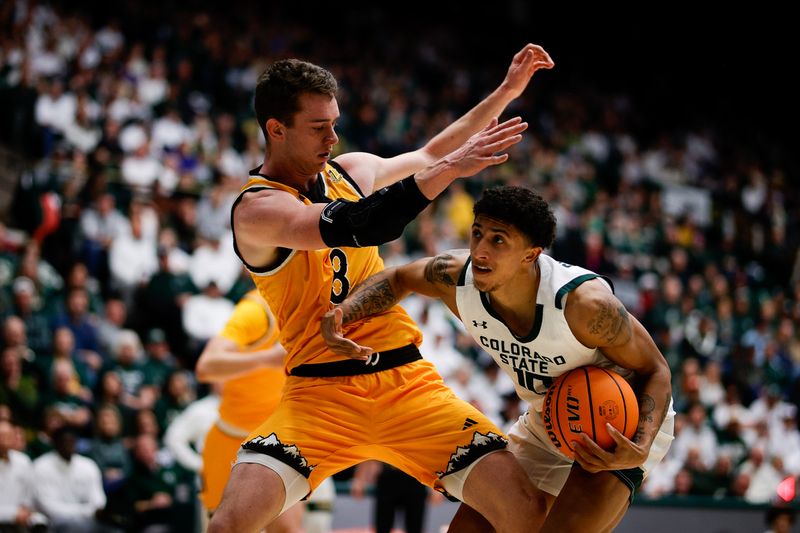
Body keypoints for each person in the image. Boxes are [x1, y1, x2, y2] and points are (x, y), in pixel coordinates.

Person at [208, 44, 554, 533]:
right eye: (318, 127)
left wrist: (506, 91)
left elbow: (435, 152)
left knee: (527, 511)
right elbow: (358, 224)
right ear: (275, 129)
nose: (333, 136)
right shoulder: (257, 210)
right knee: (228, 525)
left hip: (406, 384)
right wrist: (451, 169)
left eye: (335, 122)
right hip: (317, 397)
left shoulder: (351, 171)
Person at [321, 185, 675, 532]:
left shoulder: (585, 306)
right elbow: (400, 277)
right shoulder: (455, 277)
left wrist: (640, 445)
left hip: (616, 423)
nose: (480, 250)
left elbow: (656, 368)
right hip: (547, 418)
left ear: (531, 254)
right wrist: (344, 314)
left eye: (498, 240)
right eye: (477, 234)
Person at [195, 289, 304, 532]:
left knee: (288, 529)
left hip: (277, 437)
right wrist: (268, 359)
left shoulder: (312, 306)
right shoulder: (256, 311)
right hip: (231, 441)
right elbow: (206, 366)